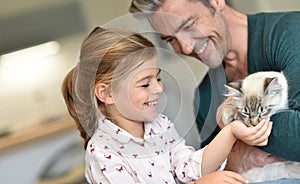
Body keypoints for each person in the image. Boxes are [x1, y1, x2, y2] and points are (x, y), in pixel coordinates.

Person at [129, 0, 300, 180]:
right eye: (170, 39)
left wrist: (231, 123)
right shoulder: (205, 96)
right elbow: (209, 176)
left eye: (188, 25)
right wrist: (236, 161)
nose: (185, 48)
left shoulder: (290, 35)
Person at [61, 27, 272, 183]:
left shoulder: (159, 126)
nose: (158, 89)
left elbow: (188, 167)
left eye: (158, 78)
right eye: (145, 83)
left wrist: (232, 132)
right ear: (106, 93)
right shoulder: (102, 152)